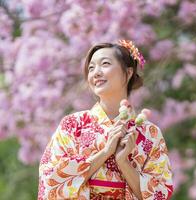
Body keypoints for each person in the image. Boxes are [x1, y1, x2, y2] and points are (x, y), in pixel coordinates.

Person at [38, 40, 173, 200]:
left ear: (128, 73)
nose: (96, 73)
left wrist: (123, 162)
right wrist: (105, 152)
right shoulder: (72, 125)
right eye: (91, 68)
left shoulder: (150, 133)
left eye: (105, 64)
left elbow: (160, 193)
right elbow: (50, 180)